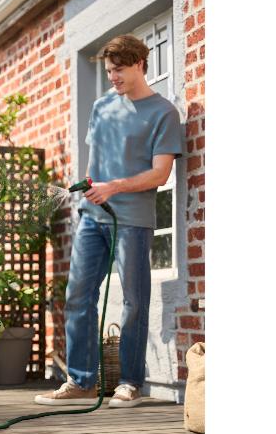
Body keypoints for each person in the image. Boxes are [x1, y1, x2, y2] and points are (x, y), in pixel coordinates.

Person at [35, 34, 183, 408]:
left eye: (118, 70)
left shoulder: (163, 113)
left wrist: (113, 187)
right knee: (77, 294)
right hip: (91, 218)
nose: (112, 77)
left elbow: (159, 174)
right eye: (109, 71)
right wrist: (88, 191)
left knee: (134, 300)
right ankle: (81, 381)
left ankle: (130, 383)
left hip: (132, 221)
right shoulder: (101, 107)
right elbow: (94, 161)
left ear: (138, 64)